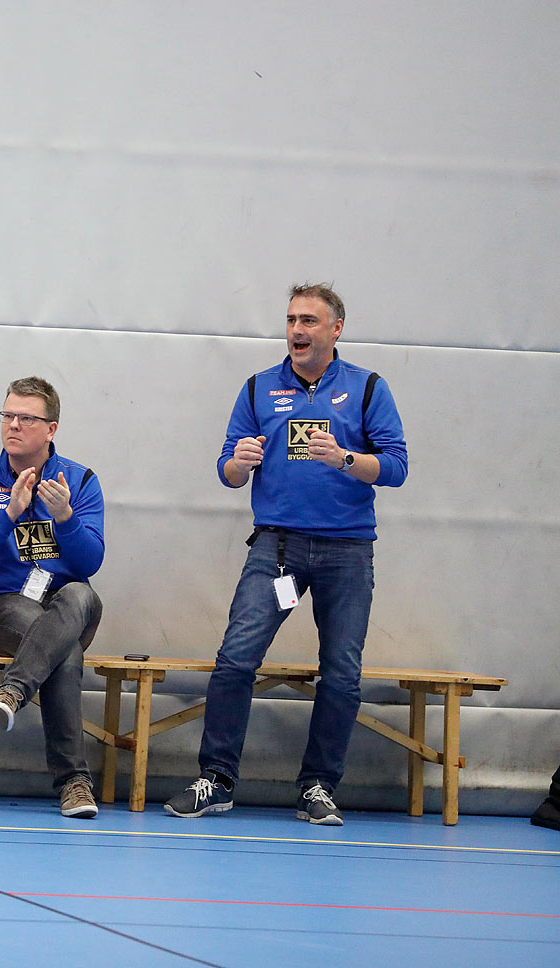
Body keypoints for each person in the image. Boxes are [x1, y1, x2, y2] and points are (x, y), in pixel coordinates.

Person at [164, 284, 407, 825]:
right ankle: (217, 779)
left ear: (336, 329)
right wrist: (239, 462)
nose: (297, 330)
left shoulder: (367, 388)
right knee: (235, 660)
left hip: (347, 548)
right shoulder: (257, 388)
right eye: (292, 320)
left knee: (342, 673)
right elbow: (226, 470)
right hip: (277, 546)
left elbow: (395, 467)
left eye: (310, 321)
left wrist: (346, 459)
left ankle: (318, 786)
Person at [0, 377, 104, 818]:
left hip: (67, 602)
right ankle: (75, 783)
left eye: (26, 418)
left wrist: (66, 518)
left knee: (79, 595)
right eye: (8, 416)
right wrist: (8, 515)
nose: (13, 425)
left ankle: (13, 690)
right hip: (4, 607)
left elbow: (91, 563)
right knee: (63, 650)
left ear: (50, 428)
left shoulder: (80, 480)